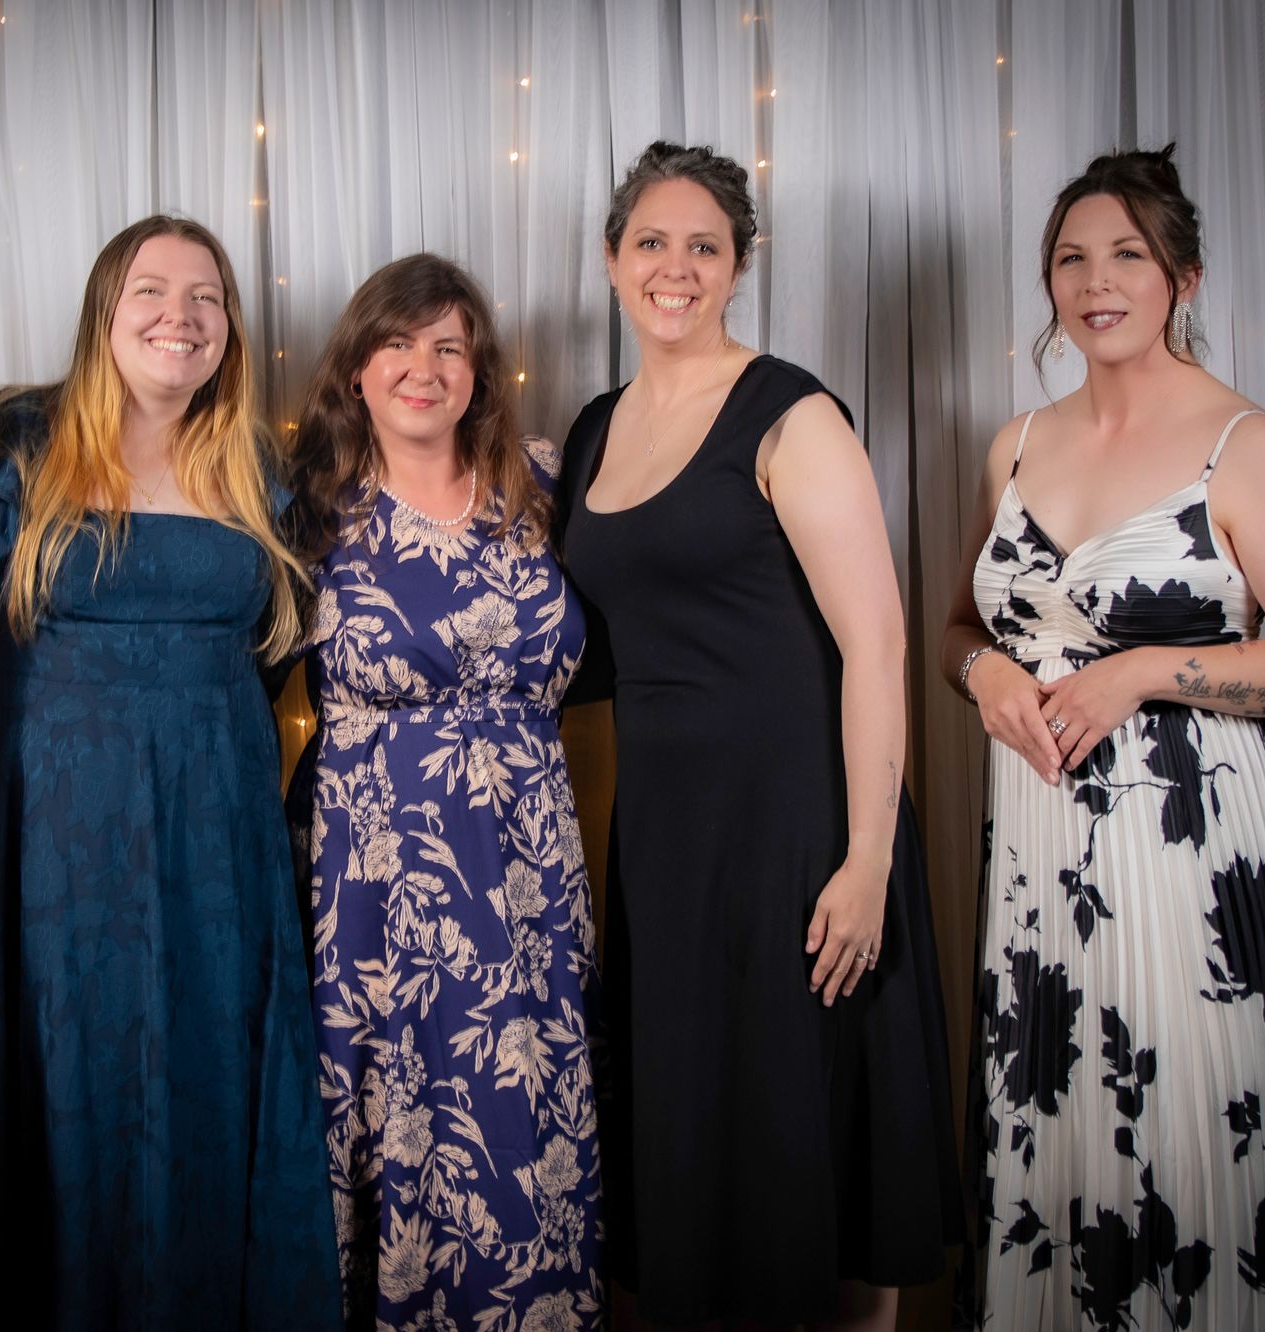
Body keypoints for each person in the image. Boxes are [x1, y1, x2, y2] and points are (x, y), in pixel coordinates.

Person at [942, 145, 1265, 1331]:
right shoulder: (1014, 444)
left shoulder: (1249, 446)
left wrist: (1139, 671)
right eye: (1072, 258)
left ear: (1182, 274)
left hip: (1195, 853)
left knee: (1189, 1134)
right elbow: (958, 625)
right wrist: (980, 675)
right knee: (1065, 1136)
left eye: (1127, 253)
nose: (1097, 279)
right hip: (1041, 856)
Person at [555, 141, 961, 1330]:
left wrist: (870, 861)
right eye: (652, 242)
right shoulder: (592, 428)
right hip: (670, 850)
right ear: (612, 259)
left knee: (815, 1161)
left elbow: (878, 646)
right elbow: (588, 649)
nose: (674, 268)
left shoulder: (791, 412)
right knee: (703, 1165)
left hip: (804, 833)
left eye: (704, 246)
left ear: (739, 265)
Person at [0, 215, 340, 1329]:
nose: (180, 314)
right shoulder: (10, 437)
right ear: (105, 312)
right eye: (151, 290)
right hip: (45, 834)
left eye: (206, 296)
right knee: (63, 1087)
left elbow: (280, 657)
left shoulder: (260, 468)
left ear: (230, 329)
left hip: (219, 837)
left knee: (206, 1085)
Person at [283, 253, 604, 1330]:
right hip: (376, 886)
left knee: (526, 1127)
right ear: (357, 367)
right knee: (399, 1133)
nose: (423, 367)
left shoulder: (545, 482)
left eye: (448, 346)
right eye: (398, 343)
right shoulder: (310, 509)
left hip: (528, 870)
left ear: (479, 370)